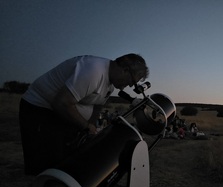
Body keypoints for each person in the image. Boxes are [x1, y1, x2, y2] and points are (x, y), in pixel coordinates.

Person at [19, 53, 149, 175]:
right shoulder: (93, 71)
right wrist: (86, 126)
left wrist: (91, 128)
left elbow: (97, 106)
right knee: (45, 165)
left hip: (61, 115)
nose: (126, 87)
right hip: (40, 110)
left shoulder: (110, 85)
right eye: (131, 82)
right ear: (125, 70)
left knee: (65, 160)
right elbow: (61, 103)